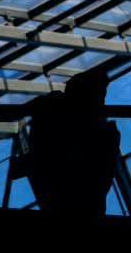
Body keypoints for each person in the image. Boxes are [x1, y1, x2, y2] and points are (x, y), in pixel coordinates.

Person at [22, 69, 121, 215]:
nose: (102, 101)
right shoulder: (104, 132)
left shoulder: (52, 109)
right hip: (78, 198)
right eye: (100, 94)